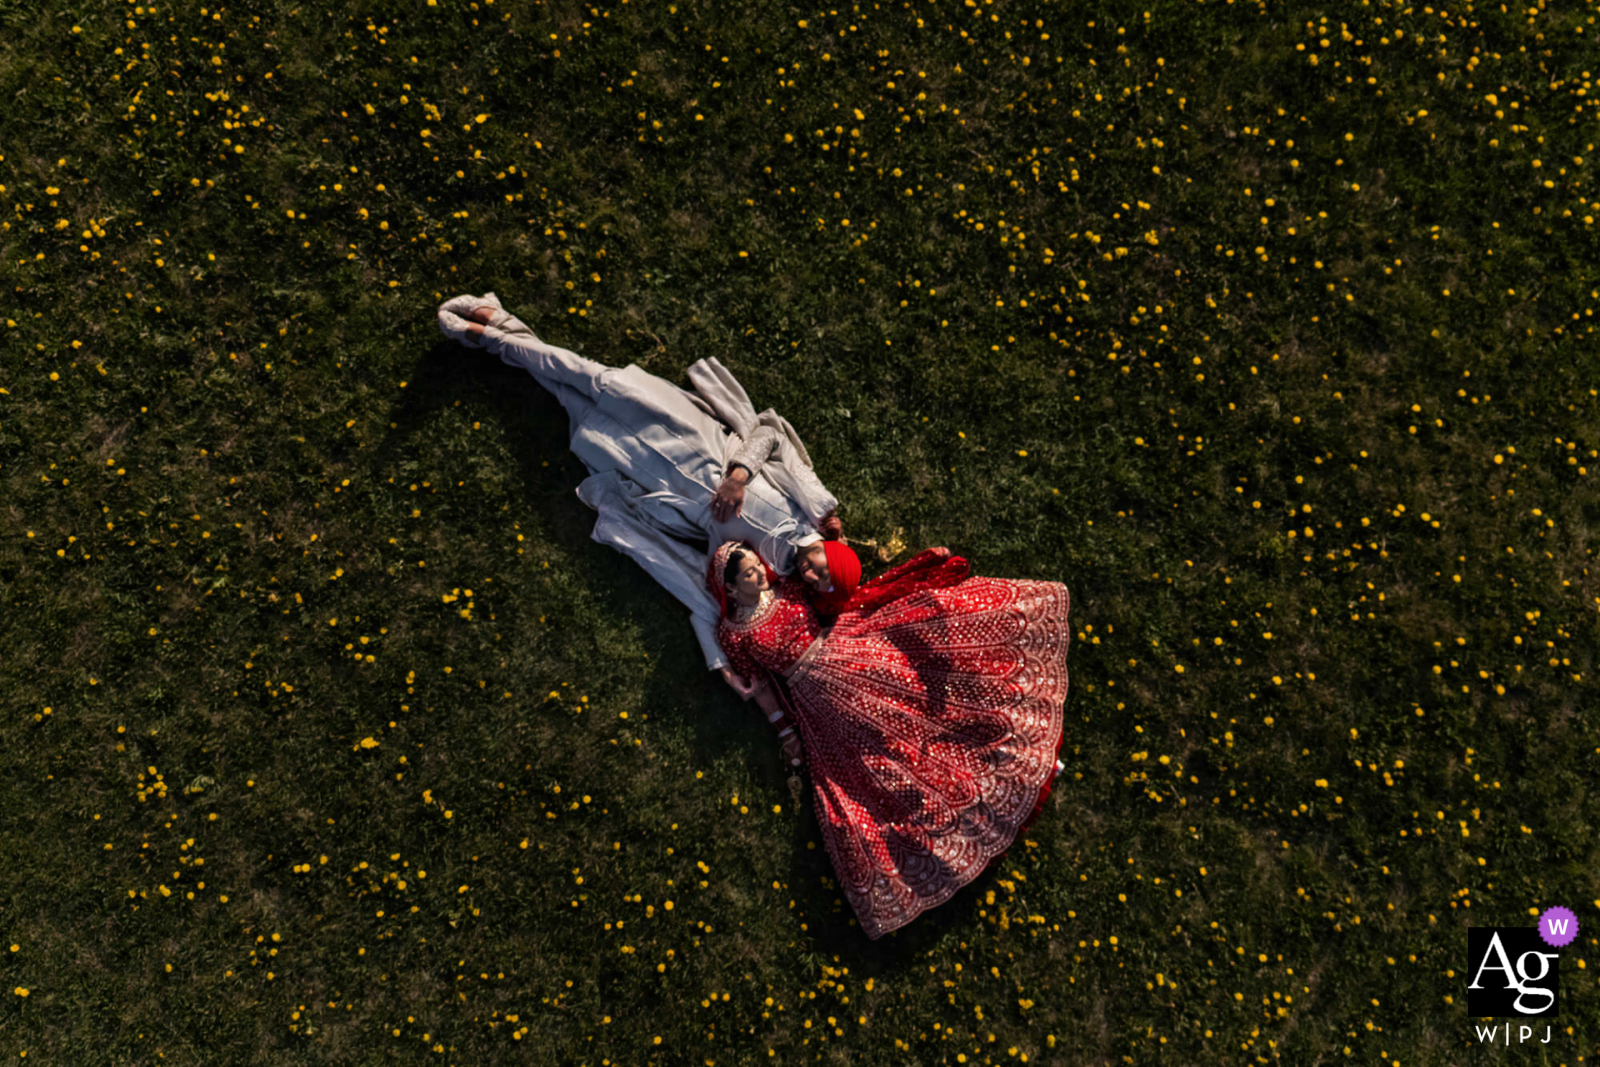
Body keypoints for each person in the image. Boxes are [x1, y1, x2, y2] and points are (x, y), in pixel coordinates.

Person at [437, 292, 846, 676]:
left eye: (818, 586)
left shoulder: (771, 572)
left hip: (664, 485)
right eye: (826, 572)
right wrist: (739, 477)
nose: (813, 577)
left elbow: (709, 589)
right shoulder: (813, 508)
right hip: (693, 437)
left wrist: (720, 664)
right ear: (835, 553)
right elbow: (771, 437)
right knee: (591, 376)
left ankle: (500, 323)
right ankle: (490, 337)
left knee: (572, 404)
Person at [707, 539, 1070, 940]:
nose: (760, 573)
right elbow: (761, 686)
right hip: (813, 697)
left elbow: (831, 593)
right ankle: (961, 815)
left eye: (757, 565)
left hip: (845, 650)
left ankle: (1014, 757)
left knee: (921, 709)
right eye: (749, 573)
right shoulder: (733, 635)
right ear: (730, 587)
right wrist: (784, 730)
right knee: (880, 763)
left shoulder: (788, 589)